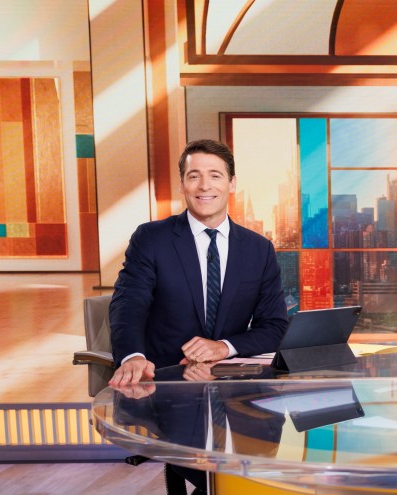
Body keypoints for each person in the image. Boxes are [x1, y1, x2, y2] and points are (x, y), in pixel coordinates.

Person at [108, 138, 289, 387]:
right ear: (182, 185)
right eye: (194, 176)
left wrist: (223, 348)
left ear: (232, 183)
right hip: (162, 383)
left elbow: (274, 325)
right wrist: (133, 356)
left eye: (215, 176)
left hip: (232, 388)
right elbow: (128, 305)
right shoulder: (151, 238)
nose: (205, 186)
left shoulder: (258, 249)